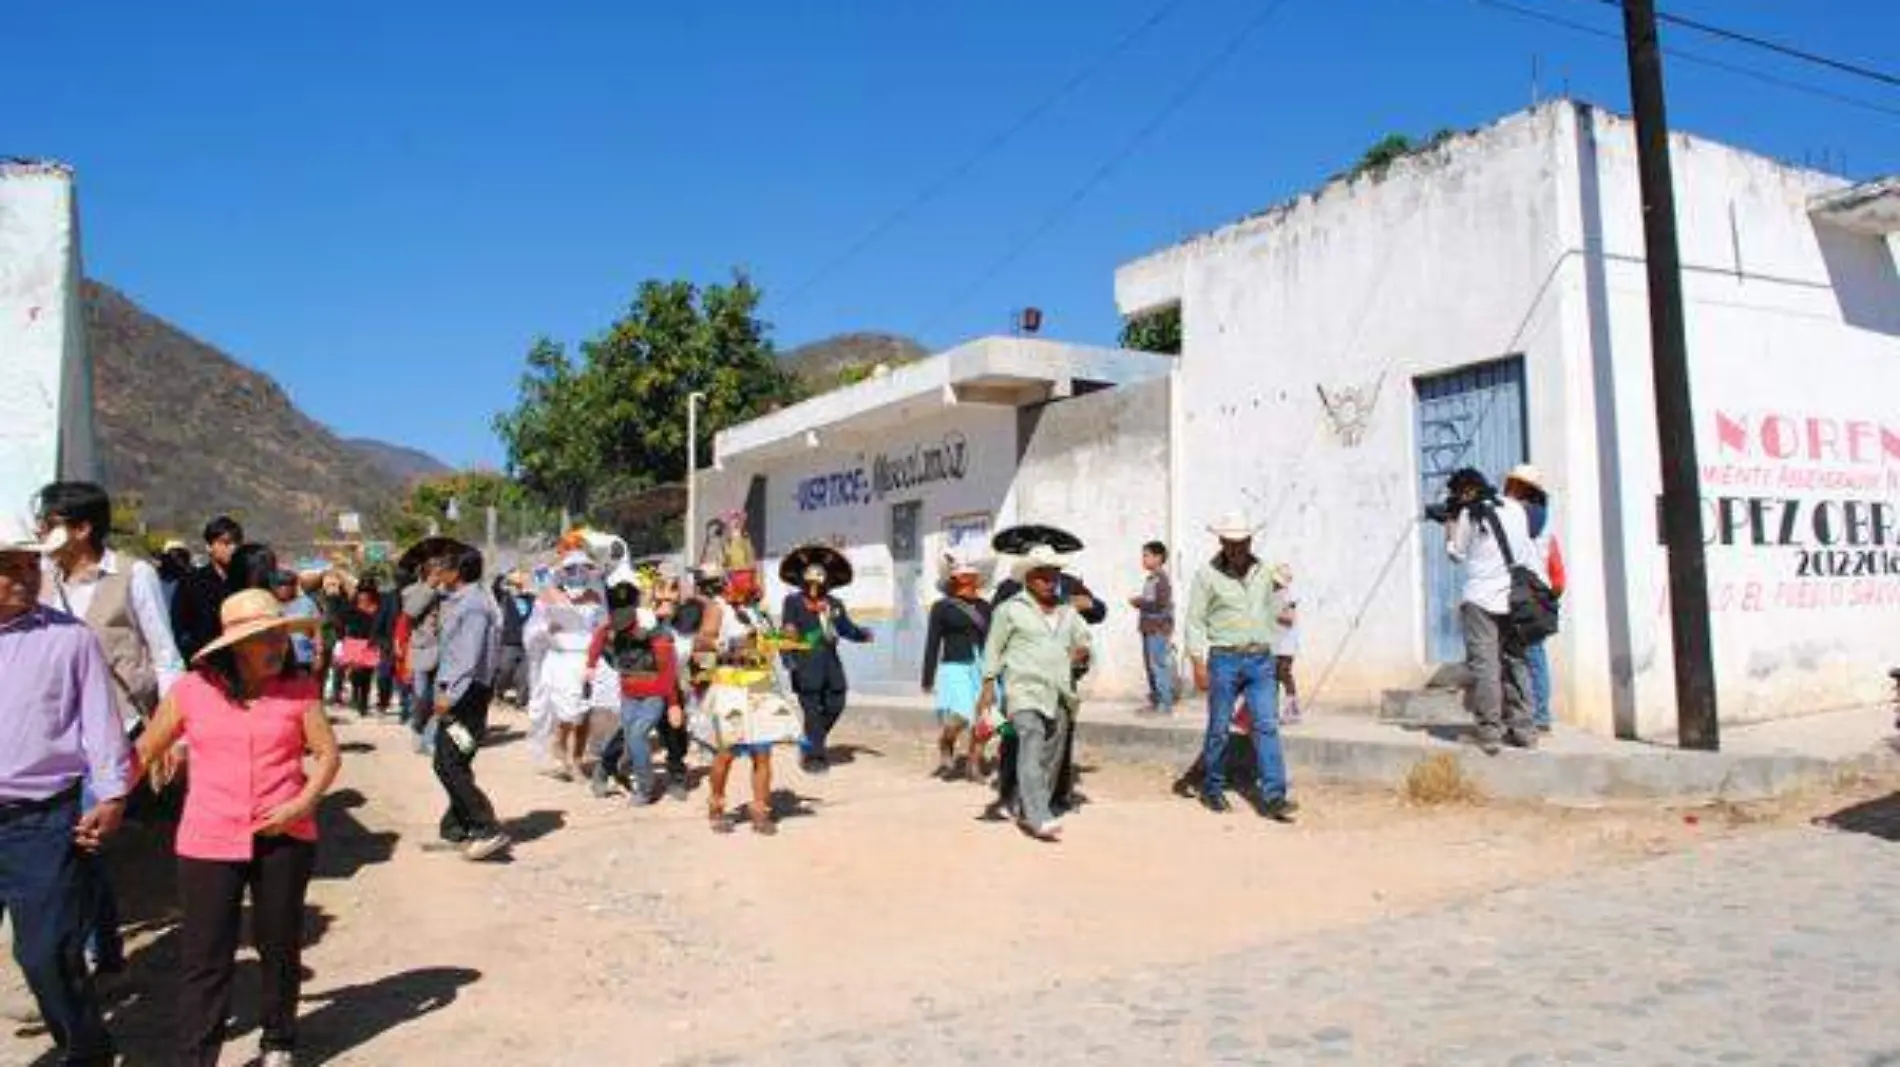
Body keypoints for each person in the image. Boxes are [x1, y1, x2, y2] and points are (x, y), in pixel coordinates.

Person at [130, 588, 340, 1067]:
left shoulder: (299, 687)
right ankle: (197, 1056)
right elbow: (143, 753)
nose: (277, 646)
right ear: (234, 646)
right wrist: (109, 798)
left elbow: (327, 754)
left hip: (284, 836)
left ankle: (279, 1041)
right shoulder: (192, 690)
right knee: (205, 958)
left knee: (279, 943)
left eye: (280, 636)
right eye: (263, 638)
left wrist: (301, 804)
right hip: (208, 836)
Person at [35, 482, 187, 976]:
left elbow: (165, 656)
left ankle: (80, 951)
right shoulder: (37, 575)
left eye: (50, 521)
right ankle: (103, 940)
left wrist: (172, 734)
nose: (41, 530)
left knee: (84, 833)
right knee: (70, 839)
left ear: (81, 528)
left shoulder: (132, 574)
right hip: (52, 729)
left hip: (116, 725)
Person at [0, 512, 130, 1067]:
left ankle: (85, 1050)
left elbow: (101, 725)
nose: (27, 576)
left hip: (42, 820)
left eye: (32, 565)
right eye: (10, 567)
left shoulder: (68, 639)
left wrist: (112, 796)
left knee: (47, 953)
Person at [1184, 512, 1298, 821]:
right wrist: (1197, 663)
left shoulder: (1264, 572)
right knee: (1220, 727)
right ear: (1221, 542)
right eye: (1231, 543)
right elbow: (1194, 621)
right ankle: (1212, 786)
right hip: (1224, 659)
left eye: (1242, 543)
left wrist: (1284, 605)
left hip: (1261, 660)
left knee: (1266, 726)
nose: (1236, 548)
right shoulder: (1206, 576)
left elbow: (1273, 606)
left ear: (1250, 541)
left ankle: (1274, 796)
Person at [974, 546, 1092, 842]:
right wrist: (988, 688)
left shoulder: (1068, 613)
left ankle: (1023, 801)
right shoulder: (1010, 610)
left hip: (1061, 691)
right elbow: (993, 649)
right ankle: (1036, 815)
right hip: (1023, 689)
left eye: (1054, 575)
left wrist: (1082, 655)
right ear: (1028, 578)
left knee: (1051, 756)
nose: (1049, 581)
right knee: (1031, 739)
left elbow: (1084, 643)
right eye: (1042, 576)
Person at [1443, 467, 1538, 754]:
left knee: (1486, 666)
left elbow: (1455, 554)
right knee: (1516, 662)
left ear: (1466, 491)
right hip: (1514, 597)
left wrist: (1449, 529)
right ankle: (1524, 730)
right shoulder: (1515, 509)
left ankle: (1489, 731)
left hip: (1480, 600)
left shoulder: (1468, 515)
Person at [431, 547, 509, 860]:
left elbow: (468, 655)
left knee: (448, 762)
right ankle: (458, 826)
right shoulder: (465, 601)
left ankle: (486, 827)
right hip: (466, 689)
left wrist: (448, 694)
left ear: (456, 573)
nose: (437, 573)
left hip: (466, 692)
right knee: (456, 759)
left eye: (442, 567)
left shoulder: (474, 605)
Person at [585, 584, 683, 805]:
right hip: (629, 692)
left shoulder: (655, 631)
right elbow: (600, 637)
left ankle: (646, 788)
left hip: (654, 694)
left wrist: (674, 704)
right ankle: (603, 772)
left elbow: (668, 671)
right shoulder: (616, 622)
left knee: (638, 736)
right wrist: (590, 664)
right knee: (628, 735)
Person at [779, 557, 873, 775]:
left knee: (836, 703)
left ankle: (811, 740)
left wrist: (863, 634)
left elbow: (846, 628)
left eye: (819, 579)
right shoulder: (793, 602)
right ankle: (815, 758)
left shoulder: (835, 604)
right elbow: (787, 632)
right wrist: (787, 657)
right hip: (804, 664)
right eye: (810, 579)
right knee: (811, 711)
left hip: (831, 663)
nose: (815, 585)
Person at [525, 551, 606, 780]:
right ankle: (560, 744)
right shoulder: (548, 597)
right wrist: (545, 629)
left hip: (588, 660)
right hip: (561, 660)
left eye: (583, 568)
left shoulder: (594, 596)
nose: (578, 573)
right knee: (567, 712)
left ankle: (577, 761)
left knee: (586, 713)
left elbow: (601, 626)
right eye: (571, 569)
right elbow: (531, 631)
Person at [1503, 463, 1565, 733]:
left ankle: (1538, 715)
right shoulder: (1537, 516)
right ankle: (1535, 714)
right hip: (1533, 591)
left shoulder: (1525, 516)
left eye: (1514, 484)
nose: (1509, 488)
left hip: (1527, 590)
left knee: (1531, 655)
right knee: (1530, 655)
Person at [921, 557, 990, 780]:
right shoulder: (942, 607)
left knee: (984, 719)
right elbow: (933, 642)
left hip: (982, 667)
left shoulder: (985, 607)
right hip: (954, 666)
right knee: (960, 715)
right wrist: (927, 677)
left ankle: (974, 764)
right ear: (956, 580)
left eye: (972, 574)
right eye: (963, 574)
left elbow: (993, 640)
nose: (969, 577)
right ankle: (946, 742)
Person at [170, 515, 244, 663]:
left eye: (236, 543)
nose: (233, 548)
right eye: (225, 542)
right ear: (209, 547)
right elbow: (179, 626)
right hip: (204, 663)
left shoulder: (244, 581)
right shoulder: (191, 583)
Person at [400, 558, 449, 753]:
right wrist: (429, 588)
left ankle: (432, 738)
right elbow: (410, 612)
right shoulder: (411, 592)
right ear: (426, 574)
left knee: (440, 697)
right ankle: (418, 728)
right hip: (421, 651)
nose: (440, 577)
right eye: (436, 573)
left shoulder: (448, 593)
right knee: (422, 698)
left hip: (444, 652)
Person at [1129, 540, 1177, 717]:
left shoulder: (1161, 579)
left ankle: (1165, 704)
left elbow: (1159, 604)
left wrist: (1139, 602)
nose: (1143, 559)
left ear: (1158, 558)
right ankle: (1157, 700)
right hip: (1149, 628)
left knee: (1159, 665)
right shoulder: (1152, 578)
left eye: (1146, 555)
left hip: (1157, 629)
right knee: (1151, 666)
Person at [336, 585, 384, 716]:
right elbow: (341, 618)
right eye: (361, 596)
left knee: (367, 675)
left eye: (366, 597)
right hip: (354, 644)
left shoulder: (377, 610)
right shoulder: (351, 609)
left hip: (370, 644)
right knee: (355, 675)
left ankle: (363, 704)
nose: (363, 599)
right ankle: (356, 695)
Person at [492, 571, 534, 707]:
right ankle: (498, 693)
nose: (518, 587)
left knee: (524, 675)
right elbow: (495, 587)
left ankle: (521, 702)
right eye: (515, 584)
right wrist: (505, 576)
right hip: (509, 642)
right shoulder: (505, 597)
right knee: (505, 670)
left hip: (528, 643)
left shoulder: (531, 599)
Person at [1269, 563, 1302, 725]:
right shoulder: (1270, 594)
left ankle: (1292, 709)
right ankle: (1271, 710)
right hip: (1273, 641)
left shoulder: (1289, 596)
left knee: (1284, 673)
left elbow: (1289, 620)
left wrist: (1272, 615)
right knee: (1271, 676)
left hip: (1287, 642)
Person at [271, 571, 322, 676]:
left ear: (294, 586)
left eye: (288, 585)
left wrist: (318, 655)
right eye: (280, 585)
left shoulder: (307, 603)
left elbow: (317, 629)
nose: (284, 589)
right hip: (276, 660)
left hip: (302, 657)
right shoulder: (269, 604)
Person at [157, 541, 194, 612]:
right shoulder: (157, 581)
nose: (178, 560)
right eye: (174, 555)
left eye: (181, 556)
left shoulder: (191, 581)